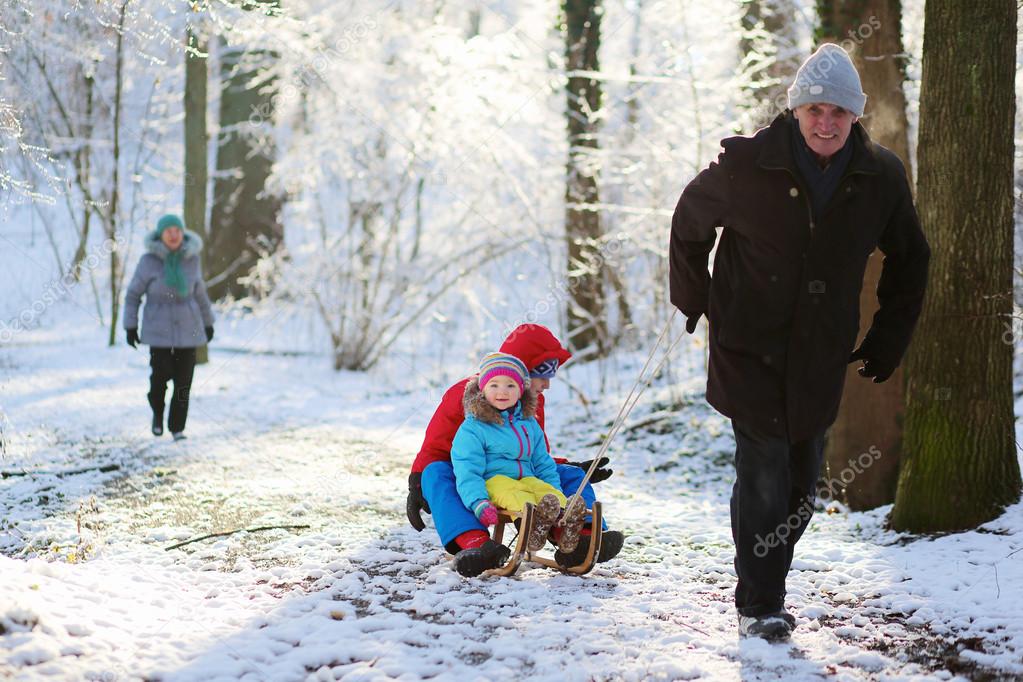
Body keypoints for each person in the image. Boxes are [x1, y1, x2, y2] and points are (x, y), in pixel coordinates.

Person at [669, 43, 929, 640]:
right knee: (762, 472)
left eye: (839, 110)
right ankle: (761, 602)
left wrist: (888, 340)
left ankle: (764, 587)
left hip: (820, 354)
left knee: (801, 482)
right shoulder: (746, 165)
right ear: (795, 110)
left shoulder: (879, 176)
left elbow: (911, 259)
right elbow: (688, 223)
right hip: (746, 348)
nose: (826, 121)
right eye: (814, 108)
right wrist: (695, 297)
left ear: (856, 115)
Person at [406, 324, 625, 577]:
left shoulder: (530, 404)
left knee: (572, 476)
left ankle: (581, 538)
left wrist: (571, 465)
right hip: (477, 476)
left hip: (522, 475)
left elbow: (532, 455)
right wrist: (417, 481)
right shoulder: (463, 395)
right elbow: (437, 445)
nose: (547, 384)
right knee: (435, 473)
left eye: (552, 373)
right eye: (542, 373)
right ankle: (474, 544)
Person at [451, 352, 585, 559]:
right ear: (482, 389)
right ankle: (532, 529)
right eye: (494, 385)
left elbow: (543, 462)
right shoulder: (473, 427)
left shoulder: (528, 423)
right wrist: (478, 502)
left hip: (527, 478)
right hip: (494, 482)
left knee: (548, 494)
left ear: (521, 390)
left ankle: (563, 531)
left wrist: (553, 490)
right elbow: (467, 469)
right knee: (519, 496)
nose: (502, 391)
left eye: (510, 386)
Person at [124, 214, 215, 441]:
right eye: (168, 231)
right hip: (158, 331)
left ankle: (177, 428)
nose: (174, 235)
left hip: (189, 329)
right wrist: (130, 326)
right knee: (159, 379)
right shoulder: (148, 262)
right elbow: (133, 294)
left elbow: (200, 293)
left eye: (177, 230)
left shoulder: (192, 259)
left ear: (182, 233)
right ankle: (157, 412)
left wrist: (208, 322)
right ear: (161, 235)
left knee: (184, 383)